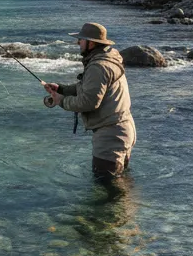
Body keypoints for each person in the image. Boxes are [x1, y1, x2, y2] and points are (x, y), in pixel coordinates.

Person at [43, 22, 136, 181]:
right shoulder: (108, 58)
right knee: (118, 186)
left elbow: (89, 102)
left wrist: (61, 101)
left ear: (91, 43)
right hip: (121, 129)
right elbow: (88, 87)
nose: (78, 42)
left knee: (106, 187)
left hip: (110, 136)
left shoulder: (98, 67)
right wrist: (62, 89)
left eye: (81, 39)